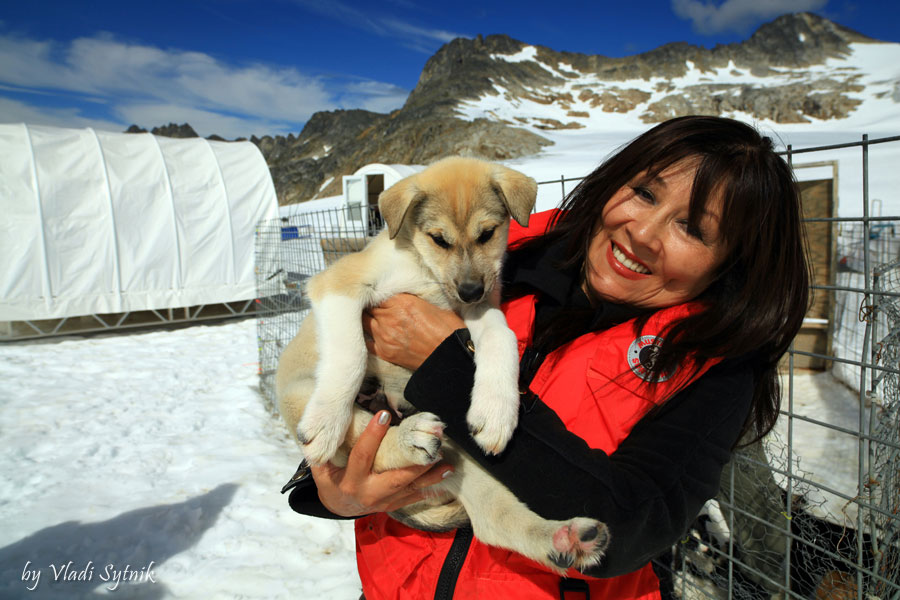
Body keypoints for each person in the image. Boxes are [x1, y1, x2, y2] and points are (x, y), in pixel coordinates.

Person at [285, 116, 811, 600]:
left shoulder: (713, 367)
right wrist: (334, 492)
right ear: (616, 179)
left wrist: (449, 362)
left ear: (729, 262)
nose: (643, 233)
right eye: (645, 193)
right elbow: (350, 394)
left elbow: (629, 527)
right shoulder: (506, 263)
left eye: (691, 228)